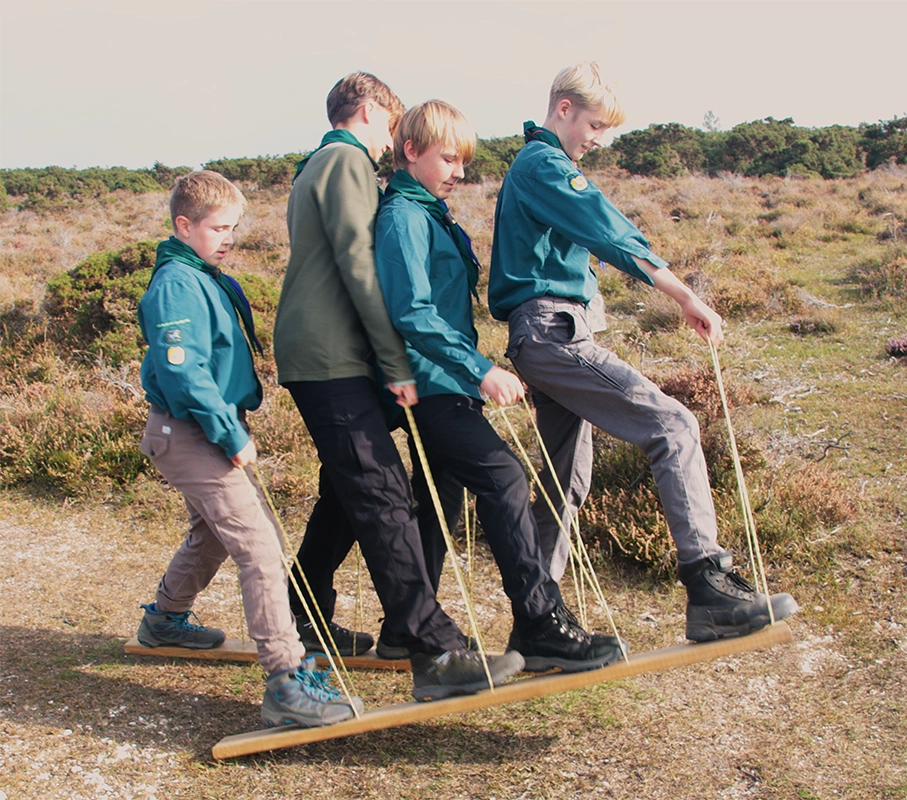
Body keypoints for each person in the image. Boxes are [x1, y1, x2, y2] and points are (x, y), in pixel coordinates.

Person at [488, 62, 798, 642]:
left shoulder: (539, 166)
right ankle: (708, 586)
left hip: (548, 335)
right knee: (673, 424)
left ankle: (538, 621)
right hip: (553, 335)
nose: (600, 140)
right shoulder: (544, 164)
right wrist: (683, 293)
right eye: (596, 125)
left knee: (566, 480)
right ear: (563, 110)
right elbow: (606, 227)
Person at [273, 73, 524, 700]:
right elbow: (362, 269)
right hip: (334, 357)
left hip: (322, 353)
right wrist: (395, 365)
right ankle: (434, 649)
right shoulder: (347, 161)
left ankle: (303, 612)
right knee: (383, 494)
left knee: (349, 488)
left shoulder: (314, 166)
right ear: (369, 111)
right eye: (392, 123)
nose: (393, 140)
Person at [373, 99, 625, 672]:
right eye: (449, 158)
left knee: (439, 504)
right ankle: (538, 624)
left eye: (464, 160)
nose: (459, 171)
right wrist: (480, 369)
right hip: (433, 384)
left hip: (446, 379)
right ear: (410, 151)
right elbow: (412, 312)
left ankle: (401, 630)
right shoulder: (403, 218)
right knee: (505, 477)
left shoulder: (426, 212)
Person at [134, 170, 362, 728]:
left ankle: (164, 619)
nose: (229, 237)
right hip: (190, 432)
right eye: (218, 228)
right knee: (260, 546)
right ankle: (286, 680)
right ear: (184, 225)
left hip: (199, 428)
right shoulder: (176, 284)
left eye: (234, 227)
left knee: (212, 535)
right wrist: (229, 432)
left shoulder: (201, 274)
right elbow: (182, 371)